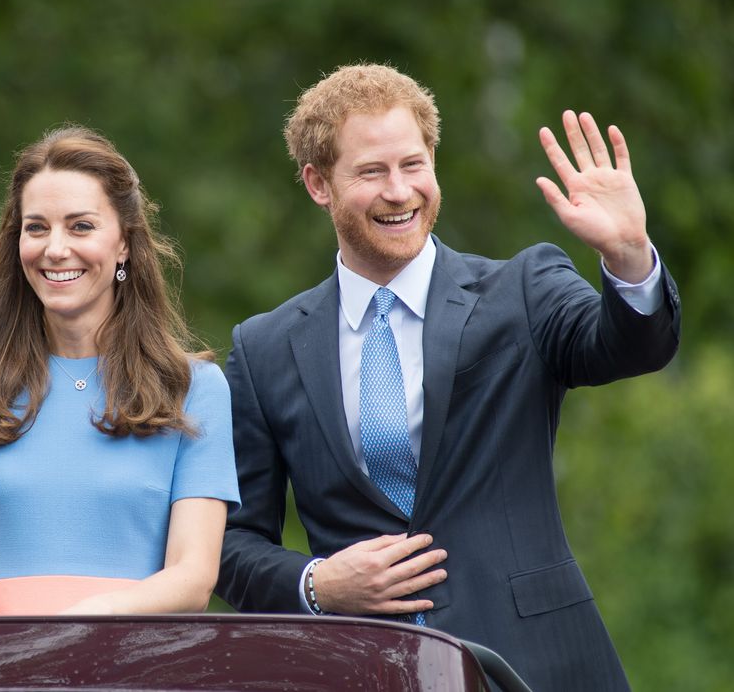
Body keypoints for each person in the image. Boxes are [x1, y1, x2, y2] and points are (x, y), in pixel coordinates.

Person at [216, 64, 679, 690]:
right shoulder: (264, 347)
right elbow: (232, 544)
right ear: (318, 183)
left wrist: (628, 256)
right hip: (361, 669)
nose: (399, 191)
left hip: (538, 664)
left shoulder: (523, 288)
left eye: (413, 165)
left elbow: (629, 348)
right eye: (372, 172)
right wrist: (316, 584)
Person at [0, 126, 239, 615]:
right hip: (0, 671)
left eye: (81, 226)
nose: (55, 248)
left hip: (136, 667)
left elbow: (193, 577)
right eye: (37, 227)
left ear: (125, 243)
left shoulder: (194, 389)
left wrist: (78, 628)